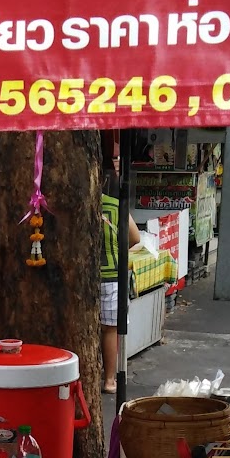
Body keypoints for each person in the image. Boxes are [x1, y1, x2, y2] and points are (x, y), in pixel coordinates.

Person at [100, 160, 143, 395]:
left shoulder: (80, 205)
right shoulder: (116, 207)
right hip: (111, 275)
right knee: (110, 329)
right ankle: (109, 380)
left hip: (85, 278)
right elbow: (135, 238)